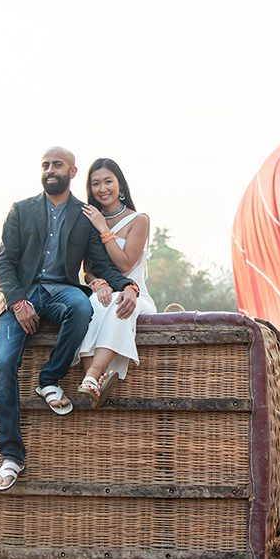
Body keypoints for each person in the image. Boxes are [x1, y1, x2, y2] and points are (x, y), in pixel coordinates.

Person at [0, 146, 140, 491]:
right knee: (4, 363)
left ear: (72, 172)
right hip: (21, 295)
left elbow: (99, 266)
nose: (50, 170)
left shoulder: (83, 215)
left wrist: (128, 286)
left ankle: (49, 378)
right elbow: (4, 264)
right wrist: (17, 302)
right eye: (45, 165)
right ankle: (11, 456)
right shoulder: (21, 210)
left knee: (82, 307)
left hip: (62, 291)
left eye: (57, 165)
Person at [73, 158, 157, 404]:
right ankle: (94, 382)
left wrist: (103, 228)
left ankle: (92, 375)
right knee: (91, 305)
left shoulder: (138, 220)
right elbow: (88, 270)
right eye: (96, 183)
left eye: (108, 181)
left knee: (119, 301)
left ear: (120, 184)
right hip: (104, 291)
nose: (103, 188)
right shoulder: (88, 218)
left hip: (135, 294)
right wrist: (98, 284)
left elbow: (125, 265)